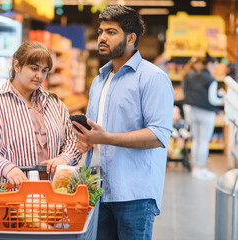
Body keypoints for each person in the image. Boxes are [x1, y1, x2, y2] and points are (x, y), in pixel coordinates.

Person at [71, 5, 174, 240]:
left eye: (111, 32)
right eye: (100, 32)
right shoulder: (99, 80)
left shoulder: (152, 78)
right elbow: (93, 133)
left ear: (131, 38)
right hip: (98, 191)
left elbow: (158, 135)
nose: (102, 38)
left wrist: (105, 138)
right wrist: (85, 141)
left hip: (134, 194)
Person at [0, 41, 81, 186]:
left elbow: (73, 140)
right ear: (16, 66)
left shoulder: (56, 104)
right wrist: (6, 167)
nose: (39, 76)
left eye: (44, 71)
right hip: (11, 196)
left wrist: (65, 158)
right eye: (34, 68)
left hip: (53, 197)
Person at [183, 54, 224, 180]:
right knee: (204, 141)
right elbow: (213, 100)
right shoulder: (211, 80)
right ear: (210, 65)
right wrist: (222, 99)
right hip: (206, 113)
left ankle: (195, 168)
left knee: (196, 140)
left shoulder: (192, 76)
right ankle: (201, 168)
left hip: (193, 111)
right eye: (215, 66)